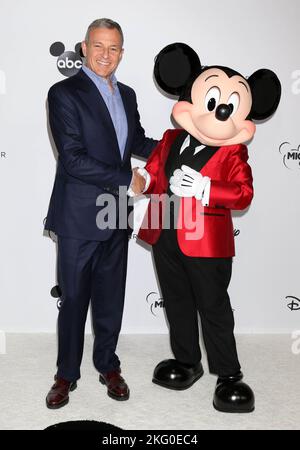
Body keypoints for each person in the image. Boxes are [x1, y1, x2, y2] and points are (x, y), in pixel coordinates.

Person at [44, 18, 157, 409]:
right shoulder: (63, 93)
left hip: (117, 214)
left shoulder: (126, 94)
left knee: (111, 297)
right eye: (98, 46)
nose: (105, 55)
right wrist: (129, 180)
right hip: (78, 216)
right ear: (83, 47)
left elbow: (137, 140)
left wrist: (181, 146)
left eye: (113, 48)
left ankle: (108, 365)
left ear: (121, 53)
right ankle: (65, 375)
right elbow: (73, 160)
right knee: (74, 299)